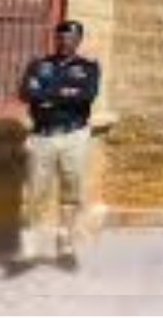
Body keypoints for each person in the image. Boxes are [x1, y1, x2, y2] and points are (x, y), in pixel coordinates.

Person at [16, 20, 100, 269]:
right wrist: (64, 93)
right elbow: (26, 94)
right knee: (35, 191)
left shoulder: (89, 68)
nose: (65, 42)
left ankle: (64, 239)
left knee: (71, 188)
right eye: (61, 38)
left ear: (78, 41)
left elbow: (87, 95)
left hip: (74, 135)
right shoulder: (39, 65)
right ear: (56, 39)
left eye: (71, 38)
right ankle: (29, 244)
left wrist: (47, 94)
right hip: (42, 135)